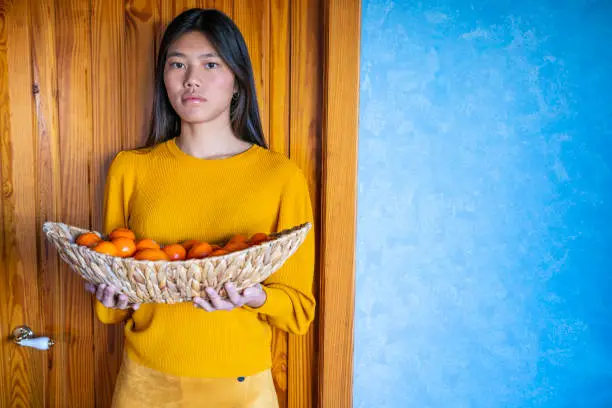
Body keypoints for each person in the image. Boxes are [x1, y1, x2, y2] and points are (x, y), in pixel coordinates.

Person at [85, 8, 315, 408]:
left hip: (241, 387)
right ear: (164, 78)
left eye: (210, 64)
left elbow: (298, 309)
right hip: (145, 382)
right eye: (178, 64)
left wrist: (253, 296)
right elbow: (117, 286)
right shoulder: (131, 168)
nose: (191, 78)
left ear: (237, 81)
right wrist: (113, 297)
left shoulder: (280, 175)